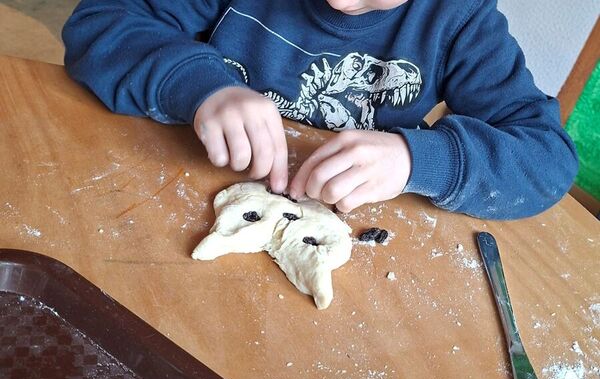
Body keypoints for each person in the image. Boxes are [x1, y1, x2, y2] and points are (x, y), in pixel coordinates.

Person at [62, 0, 578, 219]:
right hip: (165, 193)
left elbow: (546, 159)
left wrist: (416, 161)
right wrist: (200, 88)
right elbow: (103, 23)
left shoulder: (460, 20)